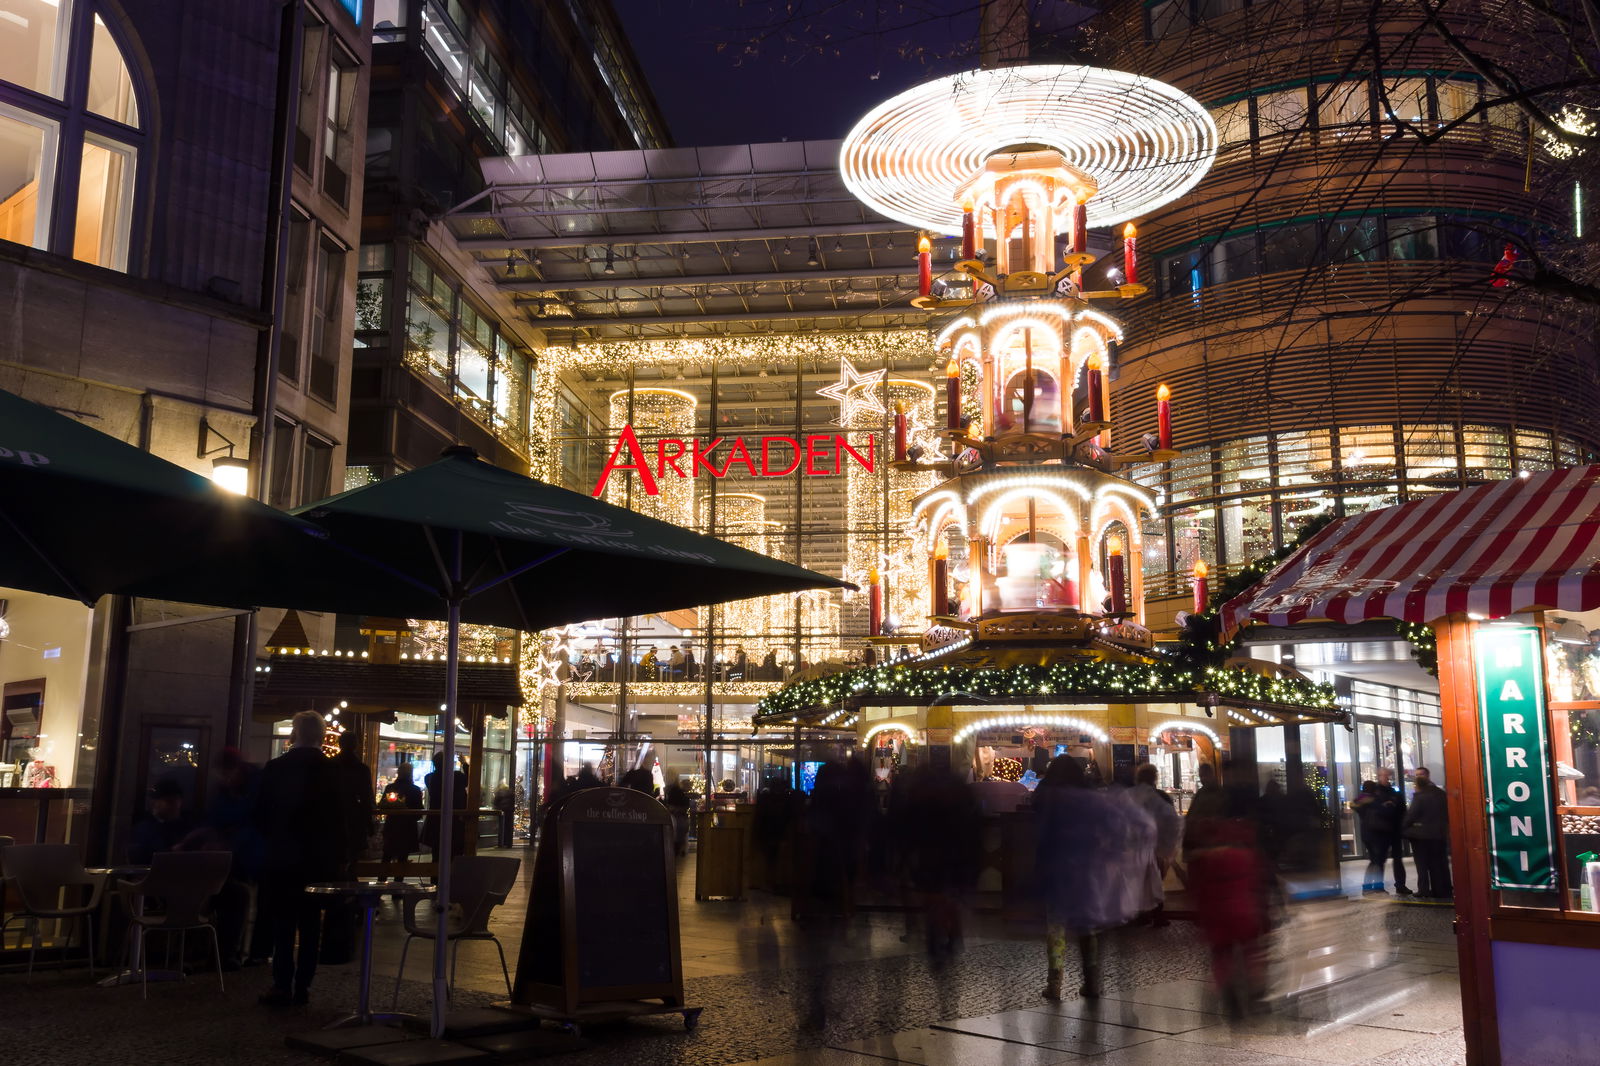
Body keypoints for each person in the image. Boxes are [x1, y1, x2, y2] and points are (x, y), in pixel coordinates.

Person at [254, 710, 345, 1006]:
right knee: (310, 925)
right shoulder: (331, 770)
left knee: (282, 924)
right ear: (321, 735)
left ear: (295, 733)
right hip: (317, 861)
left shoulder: (276, 768)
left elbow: (261, 814)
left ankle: (281, 983)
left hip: (282, 857)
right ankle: (303, 984)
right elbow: (338, 822)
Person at [1129, 763, 1184, 924]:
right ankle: (1157, 914)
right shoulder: (1160, 797)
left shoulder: (1129, 795)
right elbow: (1172, 820)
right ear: (1155, 778)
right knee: (1155, 880)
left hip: (1134, 847)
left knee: (1137, 881)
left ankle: (1140, 915)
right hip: (1155, 846)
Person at [1353, 767, 1409, 895]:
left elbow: (1401, 811)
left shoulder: (1394, 793)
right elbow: (1358, 805)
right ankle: (1374, 886)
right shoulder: (1373, 793)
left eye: (1387, 775)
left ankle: (1399, 885)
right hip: (1379, 832)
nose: (1385, 778)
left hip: (1392, 831)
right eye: (1383, 775)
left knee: (1394, 859)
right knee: (1378, 860)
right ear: (1378, 776)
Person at [1405, 767, 1452, 900]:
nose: (1418, 777)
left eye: (1420, 775)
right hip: (1438, 835)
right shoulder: (1440, 793)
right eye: (1417, 775)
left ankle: (1424, 889)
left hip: (1422, 836)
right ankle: (1441, 889)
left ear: (1427, 775)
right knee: (1438, 864)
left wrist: (1404, 828)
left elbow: (1411, 815)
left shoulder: (1420, 795)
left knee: (1422, 864)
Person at [128, 778, 197, 864]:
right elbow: (140, 858)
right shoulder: (144, 829)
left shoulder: (189, 826)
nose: (175, 805)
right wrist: (171, 852)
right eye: (169, 801)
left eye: (177, 799)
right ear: (154, 802)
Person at [379, 761, 423, 881]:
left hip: (391, 827)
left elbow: (382, 806)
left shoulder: (390, 788)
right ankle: (397, 887)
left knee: (387, 856)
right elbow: (419, 812)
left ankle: (380, 885)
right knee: (402, 859)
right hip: (407, 829)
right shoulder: (415, 790)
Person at [492, 781, 515, 847]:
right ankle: (508, 843)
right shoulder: (511, 792)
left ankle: (501, 842)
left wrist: (496, 808)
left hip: (502, 811)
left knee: (501, 827)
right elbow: (513, 802)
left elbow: (495, 802)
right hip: (509, 812)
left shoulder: (499, 792)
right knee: (508, 827)